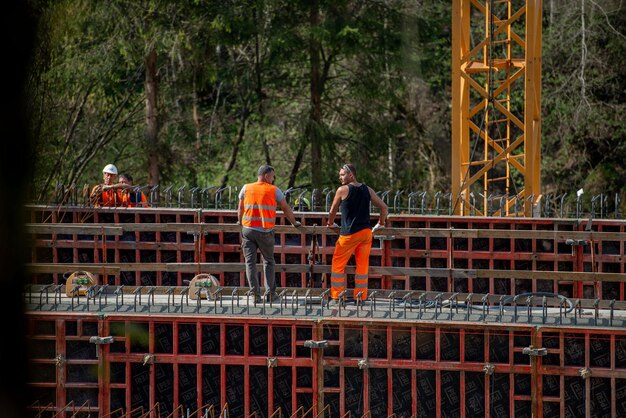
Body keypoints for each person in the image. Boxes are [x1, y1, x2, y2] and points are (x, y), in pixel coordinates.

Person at [238, 164, 302, 303]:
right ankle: (270, 295)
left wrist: (240, 223)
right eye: (273, 176)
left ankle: (255, 295)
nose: (273, 179)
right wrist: (294, 222)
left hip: (247, 230)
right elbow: (285, 208)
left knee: (250, 263)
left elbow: (240, 209)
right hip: (265, 232)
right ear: (266, 176)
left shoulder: (246, 188)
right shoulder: (274, 190)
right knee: (268, 261)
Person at [326, 163, 388, 305]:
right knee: (362, 266)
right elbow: (384, 207)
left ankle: (337, 297)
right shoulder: (367, 189)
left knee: (337, 265)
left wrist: (330, 223)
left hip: (349, 234)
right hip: (366, 233)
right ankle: (360, 298)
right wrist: (381, 223)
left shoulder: (342, 190)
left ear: (351, 175)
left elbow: (332, 211)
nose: (340, 177)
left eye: (342, 174)